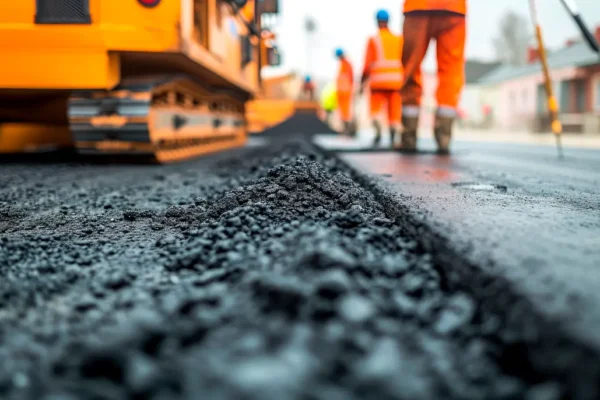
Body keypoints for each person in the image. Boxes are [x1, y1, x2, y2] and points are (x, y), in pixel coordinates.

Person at [400, 0, 466, 153]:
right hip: (453, 8)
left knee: (411, 67)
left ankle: (408, 138)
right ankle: (444, 137)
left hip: (419, 6)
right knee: (451, 71)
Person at [360, 9, 404, 147]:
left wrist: (362, 82)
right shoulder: (398, 39)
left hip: (378, 82)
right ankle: (393, 134)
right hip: (396, 82)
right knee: (394, 110)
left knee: (375, 109)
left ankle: (378, 132)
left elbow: (367, 65)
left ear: (377, 22)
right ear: (388, 21)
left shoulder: (373, 40)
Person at [334, 48, 354, 135]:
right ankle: (345, 129)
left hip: (345, 92)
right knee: (343, 112)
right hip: (341, 92)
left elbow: (350, 77)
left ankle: (348, 129)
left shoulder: (346, 64)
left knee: (346, 112)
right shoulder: (342, 64)